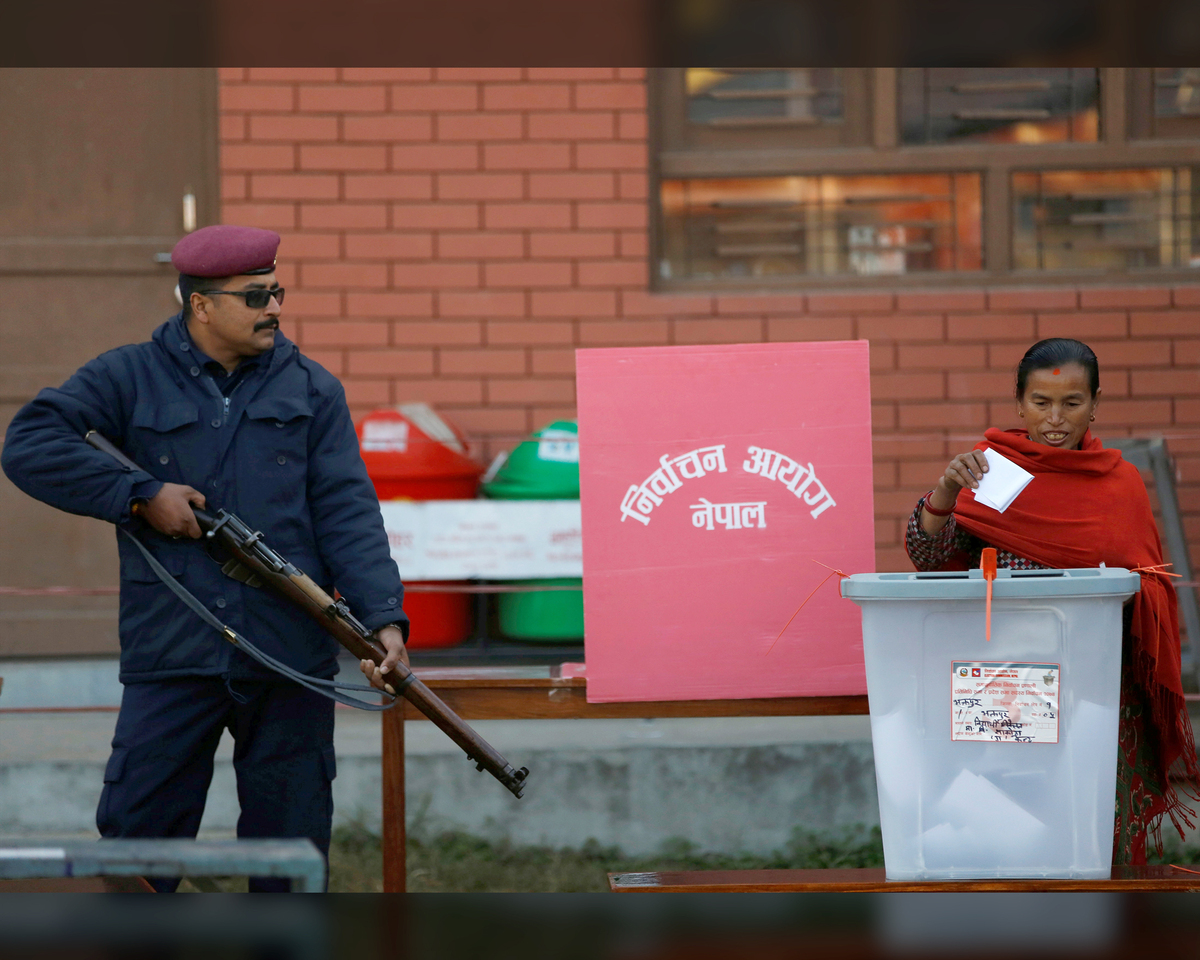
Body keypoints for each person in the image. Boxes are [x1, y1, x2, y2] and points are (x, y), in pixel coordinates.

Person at [1, 225, 409, 891]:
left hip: (289, 657)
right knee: (138, 853)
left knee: (290, 856)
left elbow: (348, 512)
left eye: (276, 291)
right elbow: (29, 445)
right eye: (256, 297)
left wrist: (383, 618)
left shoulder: (312, 390)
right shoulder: (124, 376)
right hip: (173, 651)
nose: (275, 307)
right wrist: (139, 494)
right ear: (202, 305)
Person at [906, 337, 1199, 864]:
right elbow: (929, 557)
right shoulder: (991, 473)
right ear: (1019, 404)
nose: (1056, 419)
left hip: (1100, 689)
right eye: (1041, 403)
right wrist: (944, 494)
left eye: (1072, 403)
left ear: (1095, 403)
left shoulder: (1119, 480)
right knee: (1008, 828)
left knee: (1095, 836)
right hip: (1008, 680)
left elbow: (1149, 582)